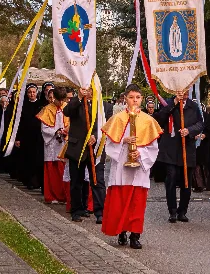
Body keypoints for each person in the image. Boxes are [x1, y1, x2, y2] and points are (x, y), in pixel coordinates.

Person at [101, 84, 162, 249]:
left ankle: (135, 235)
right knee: (120, 202)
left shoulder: (149, 121)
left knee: (137, 203)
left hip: (140, 170)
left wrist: (140, 153)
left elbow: (153, 147)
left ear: (141, 99)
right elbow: (109, 145)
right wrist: (123, 141)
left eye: (138, 97)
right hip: (121, 167)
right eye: (131, 97)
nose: (134, 100)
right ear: (125, 99)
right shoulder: (118, 119)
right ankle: (121, 231)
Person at [156, 90, 203, 223]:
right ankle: (172, 211)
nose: (185, 92)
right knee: (171, 178)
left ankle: (182, 211)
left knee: (186, 181)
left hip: (187, 149)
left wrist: (189, 130)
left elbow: (200, 123)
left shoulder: (193, 106)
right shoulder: (167, 103)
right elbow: (159, 118)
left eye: (187, 90)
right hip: (170, 149)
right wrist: (175, 102)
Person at [63, 87, 105, 224]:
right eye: (88, 89)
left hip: (95, 148)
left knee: (97, 180)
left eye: (93, 89)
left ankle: (100, 212)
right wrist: (79, 98)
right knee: (76, 181)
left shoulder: (104, 107)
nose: (90, 92)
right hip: (77, 148)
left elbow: (107, 125)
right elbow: (67, 111)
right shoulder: (77, 103)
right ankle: (76, 210)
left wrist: (96, 136)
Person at [36, 86, 68, 203]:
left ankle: (64, 196)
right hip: (51, 143)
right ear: (54, 98)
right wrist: (56, 131)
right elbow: (44, 128)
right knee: (52, 170)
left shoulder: (67, 108)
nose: (61, 103)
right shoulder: (47, 109)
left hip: (64, 142)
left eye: (63, 100)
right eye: (59, 100)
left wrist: (66, 131)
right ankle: (52, 196)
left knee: (63, 171)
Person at [15, 83, 43, 189]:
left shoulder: (41, 105)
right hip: (25, 136)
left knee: (36, 159)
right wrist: (18, 138)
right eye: (30, 92)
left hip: (37, 136)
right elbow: (19, 123)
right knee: (26, 159)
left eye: (33, 92)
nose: (32, 94)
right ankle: (28, 180)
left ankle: (36, 181)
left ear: (37, 93)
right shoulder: (23, 106)